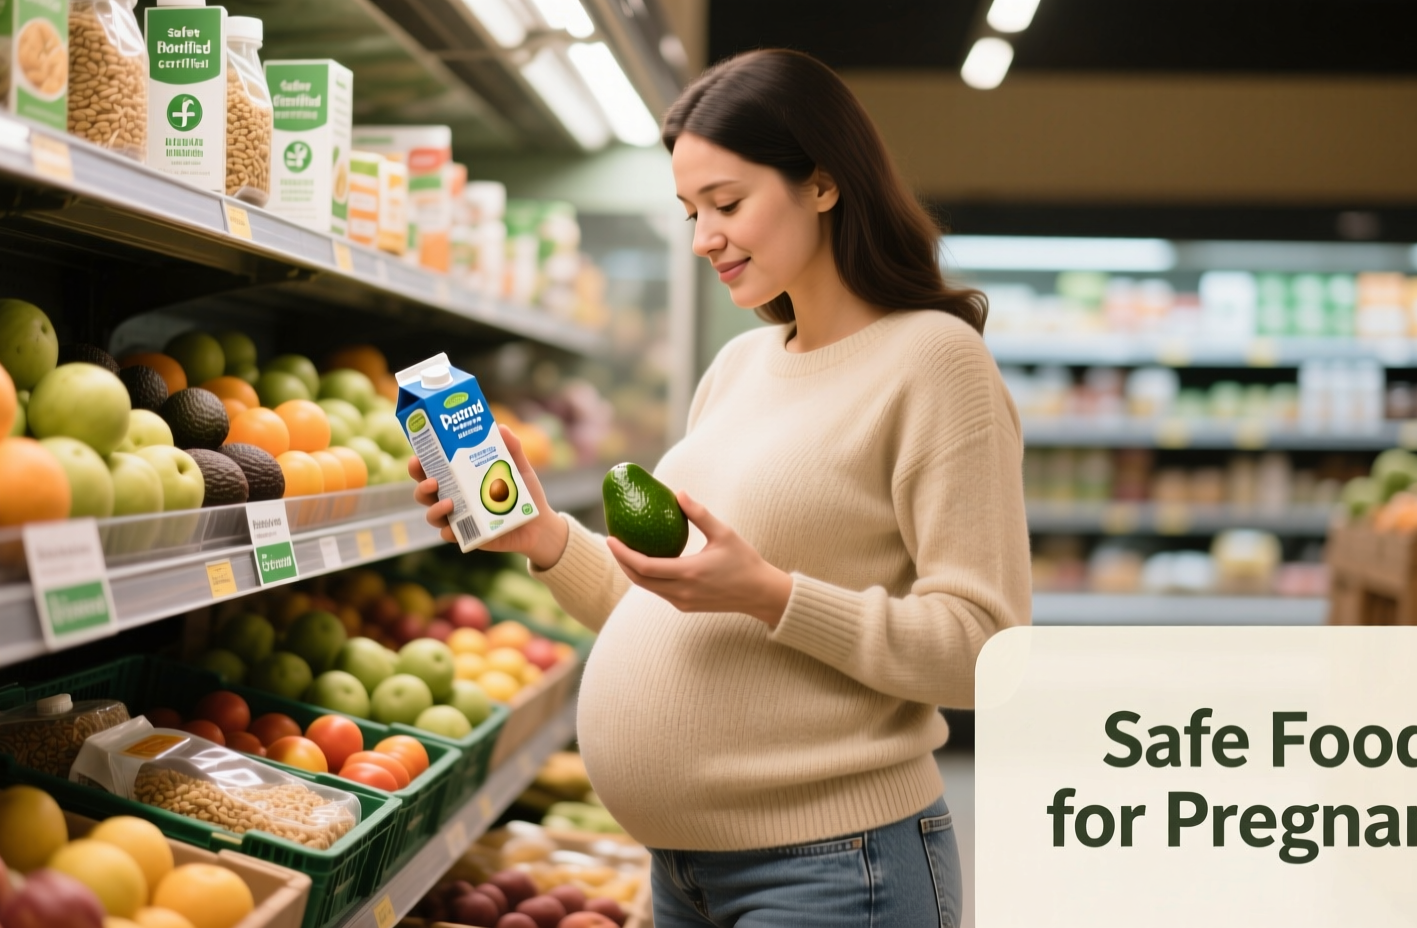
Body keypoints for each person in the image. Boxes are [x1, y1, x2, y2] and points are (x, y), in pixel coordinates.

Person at [411, 48, 1031, 928]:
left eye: (728, 203)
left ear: (822, 183)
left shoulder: (935, 364)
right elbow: (663, 600)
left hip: (836, 874)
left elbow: (988, 651)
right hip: (682, 875)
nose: (703, 237)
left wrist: (775, 596)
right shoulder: (738, 366)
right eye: (690, 209)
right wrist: (544, 535)